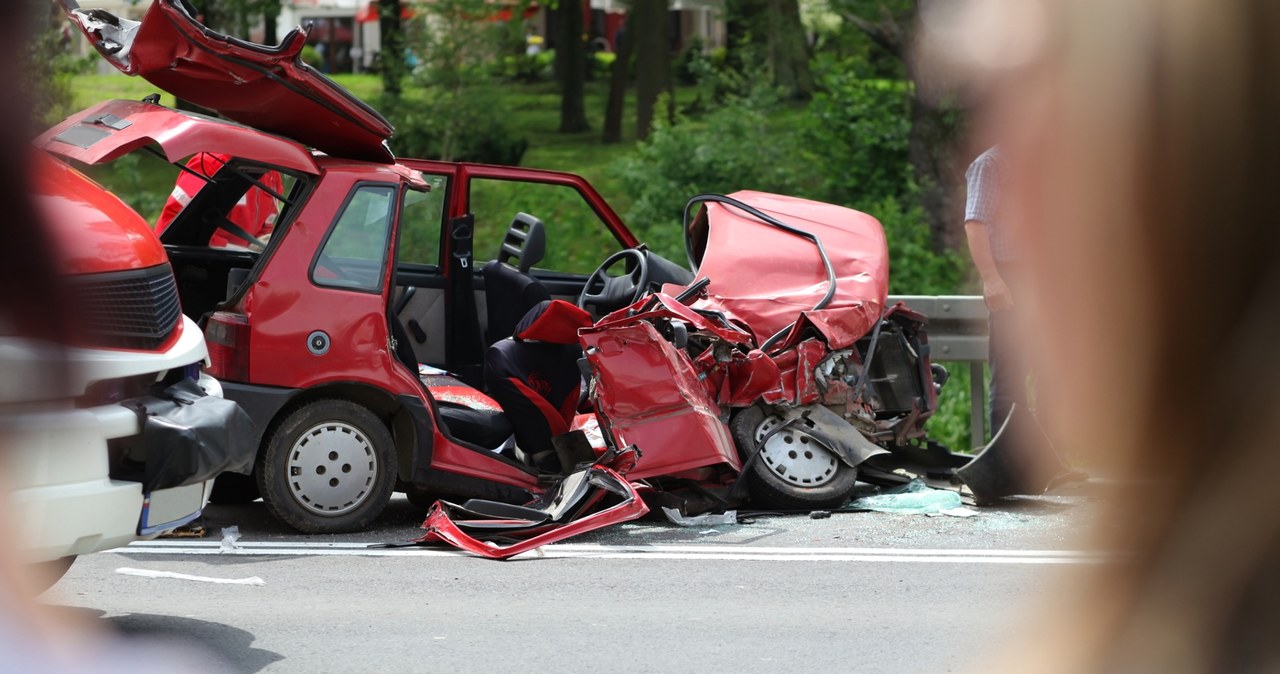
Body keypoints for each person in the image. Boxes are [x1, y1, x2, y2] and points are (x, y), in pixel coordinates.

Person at [932, 0, 1280, 670]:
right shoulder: (990, 167)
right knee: (1012, 385)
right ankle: (1014, 463)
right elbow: (981, 227)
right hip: (1012, 277)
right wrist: (996, 282)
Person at [154, 152, 282, 249]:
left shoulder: (272, 174)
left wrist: (263, 243)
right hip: (189, 262)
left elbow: (267, 224)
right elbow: (172, 225)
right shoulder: (208, 163)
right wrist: (234, 249)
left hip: (241, 266)